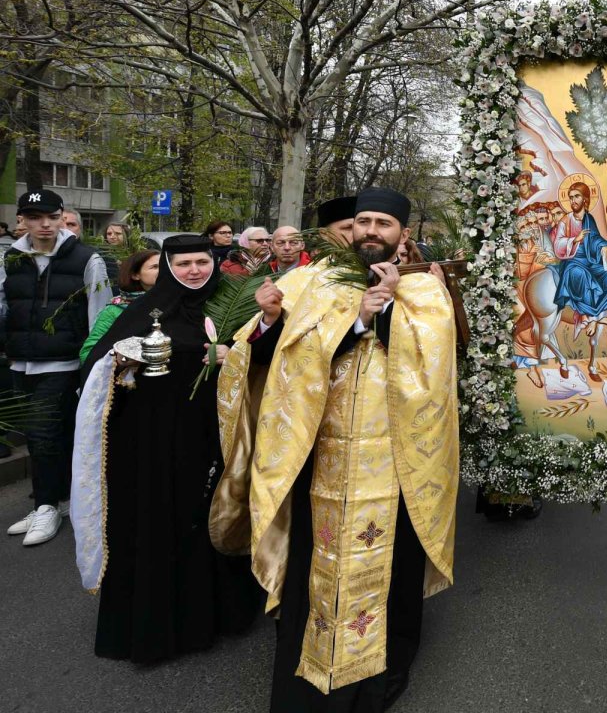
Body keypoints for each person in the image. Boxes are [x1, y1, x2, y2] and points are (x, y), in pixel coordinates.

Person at [210, 188, 458, 713]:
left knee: (390, 569)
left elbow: (434, 370)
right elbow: (271, 361)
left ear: (402, 234)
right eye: (363, 221)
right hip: (320, 454)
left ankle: (380, 671)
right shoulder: (313, 282)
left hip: (394, 469)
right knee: (314, 562)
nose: (370, 231)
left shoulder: (424, 290)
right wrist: (273, 320)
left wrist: (385, 311)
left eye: (383, 224)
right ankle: (309, 664)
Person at [71, 235, 261, 662]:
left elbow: (263, 355)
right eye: (183, 264)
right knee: (160, 520)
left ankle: (217, 614)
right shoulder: (141, 310)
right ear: (168, 266)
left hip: (211, 435)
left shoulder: (229, 309)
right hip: (153, 444)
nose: (194, 270)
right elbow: (100, 366)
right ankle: (157, 628)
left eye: (201, 262)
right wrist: (125, 359)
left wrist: (232, 354)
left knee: (209, 517)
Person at [1, 189, 112, 546]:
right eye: (35, 218)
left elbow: (101, 317)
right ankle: (59, 500)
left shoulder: (86, 258)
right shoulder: (11, 259)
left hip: (63, 363)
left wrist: (93, 368)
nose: (44, 225)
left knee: (44, 434)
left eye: (51, 217)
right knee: (45, 435)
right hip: (20, 361)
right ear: (23, 220)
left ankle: (47, 505)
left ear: (62, 215)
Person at [551, 181, 607, 338]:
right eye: (570, 197)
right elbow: (558, 245)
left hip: (589, 261)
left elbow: (596, 239)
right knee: (582, 275)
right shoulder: (565, 220)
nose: (573, 201)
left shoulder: (589, 219)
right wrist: (575, 239)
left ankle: (601, 316)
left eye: (577, 196)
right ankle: (591, 318)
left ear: (585, 200)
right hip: (572, 262)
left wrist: (604, 247)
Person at [79, 249, 160, 363]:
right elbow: (88, 353)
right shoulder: (115, 310)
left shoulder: (178, 301)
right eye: (155, 267)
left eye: (165, 267)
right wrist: (120, 360)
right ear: (135, 275)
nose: (162, 271)